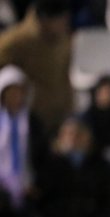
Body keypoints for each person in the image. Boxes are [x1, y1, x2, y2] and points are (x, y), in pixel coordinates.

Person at [32, 117, 110, 217]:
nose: (73, 138)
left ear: (88, 137)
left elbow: (109, 200)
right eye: (68, 134)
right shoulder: (50, 164)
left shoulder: (100, 165)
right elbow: (40, 199)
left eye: (78, 134)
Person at [0, 0, 72, 134]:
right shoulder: (16, 41)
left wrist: (69, 106)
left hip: (58, 115)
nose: (64, 24)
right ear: (45, 20)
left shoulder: (63, 40)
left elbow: (64, 75)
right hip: (30, 119)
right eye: (61, 20)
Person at [0, 64, 45, 217]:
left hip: (26, 191)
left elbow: (41, 156)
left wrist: (37, 183)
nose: (15, 97)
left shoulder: (32, 122)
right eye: (11, 92)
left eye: (19, 92)